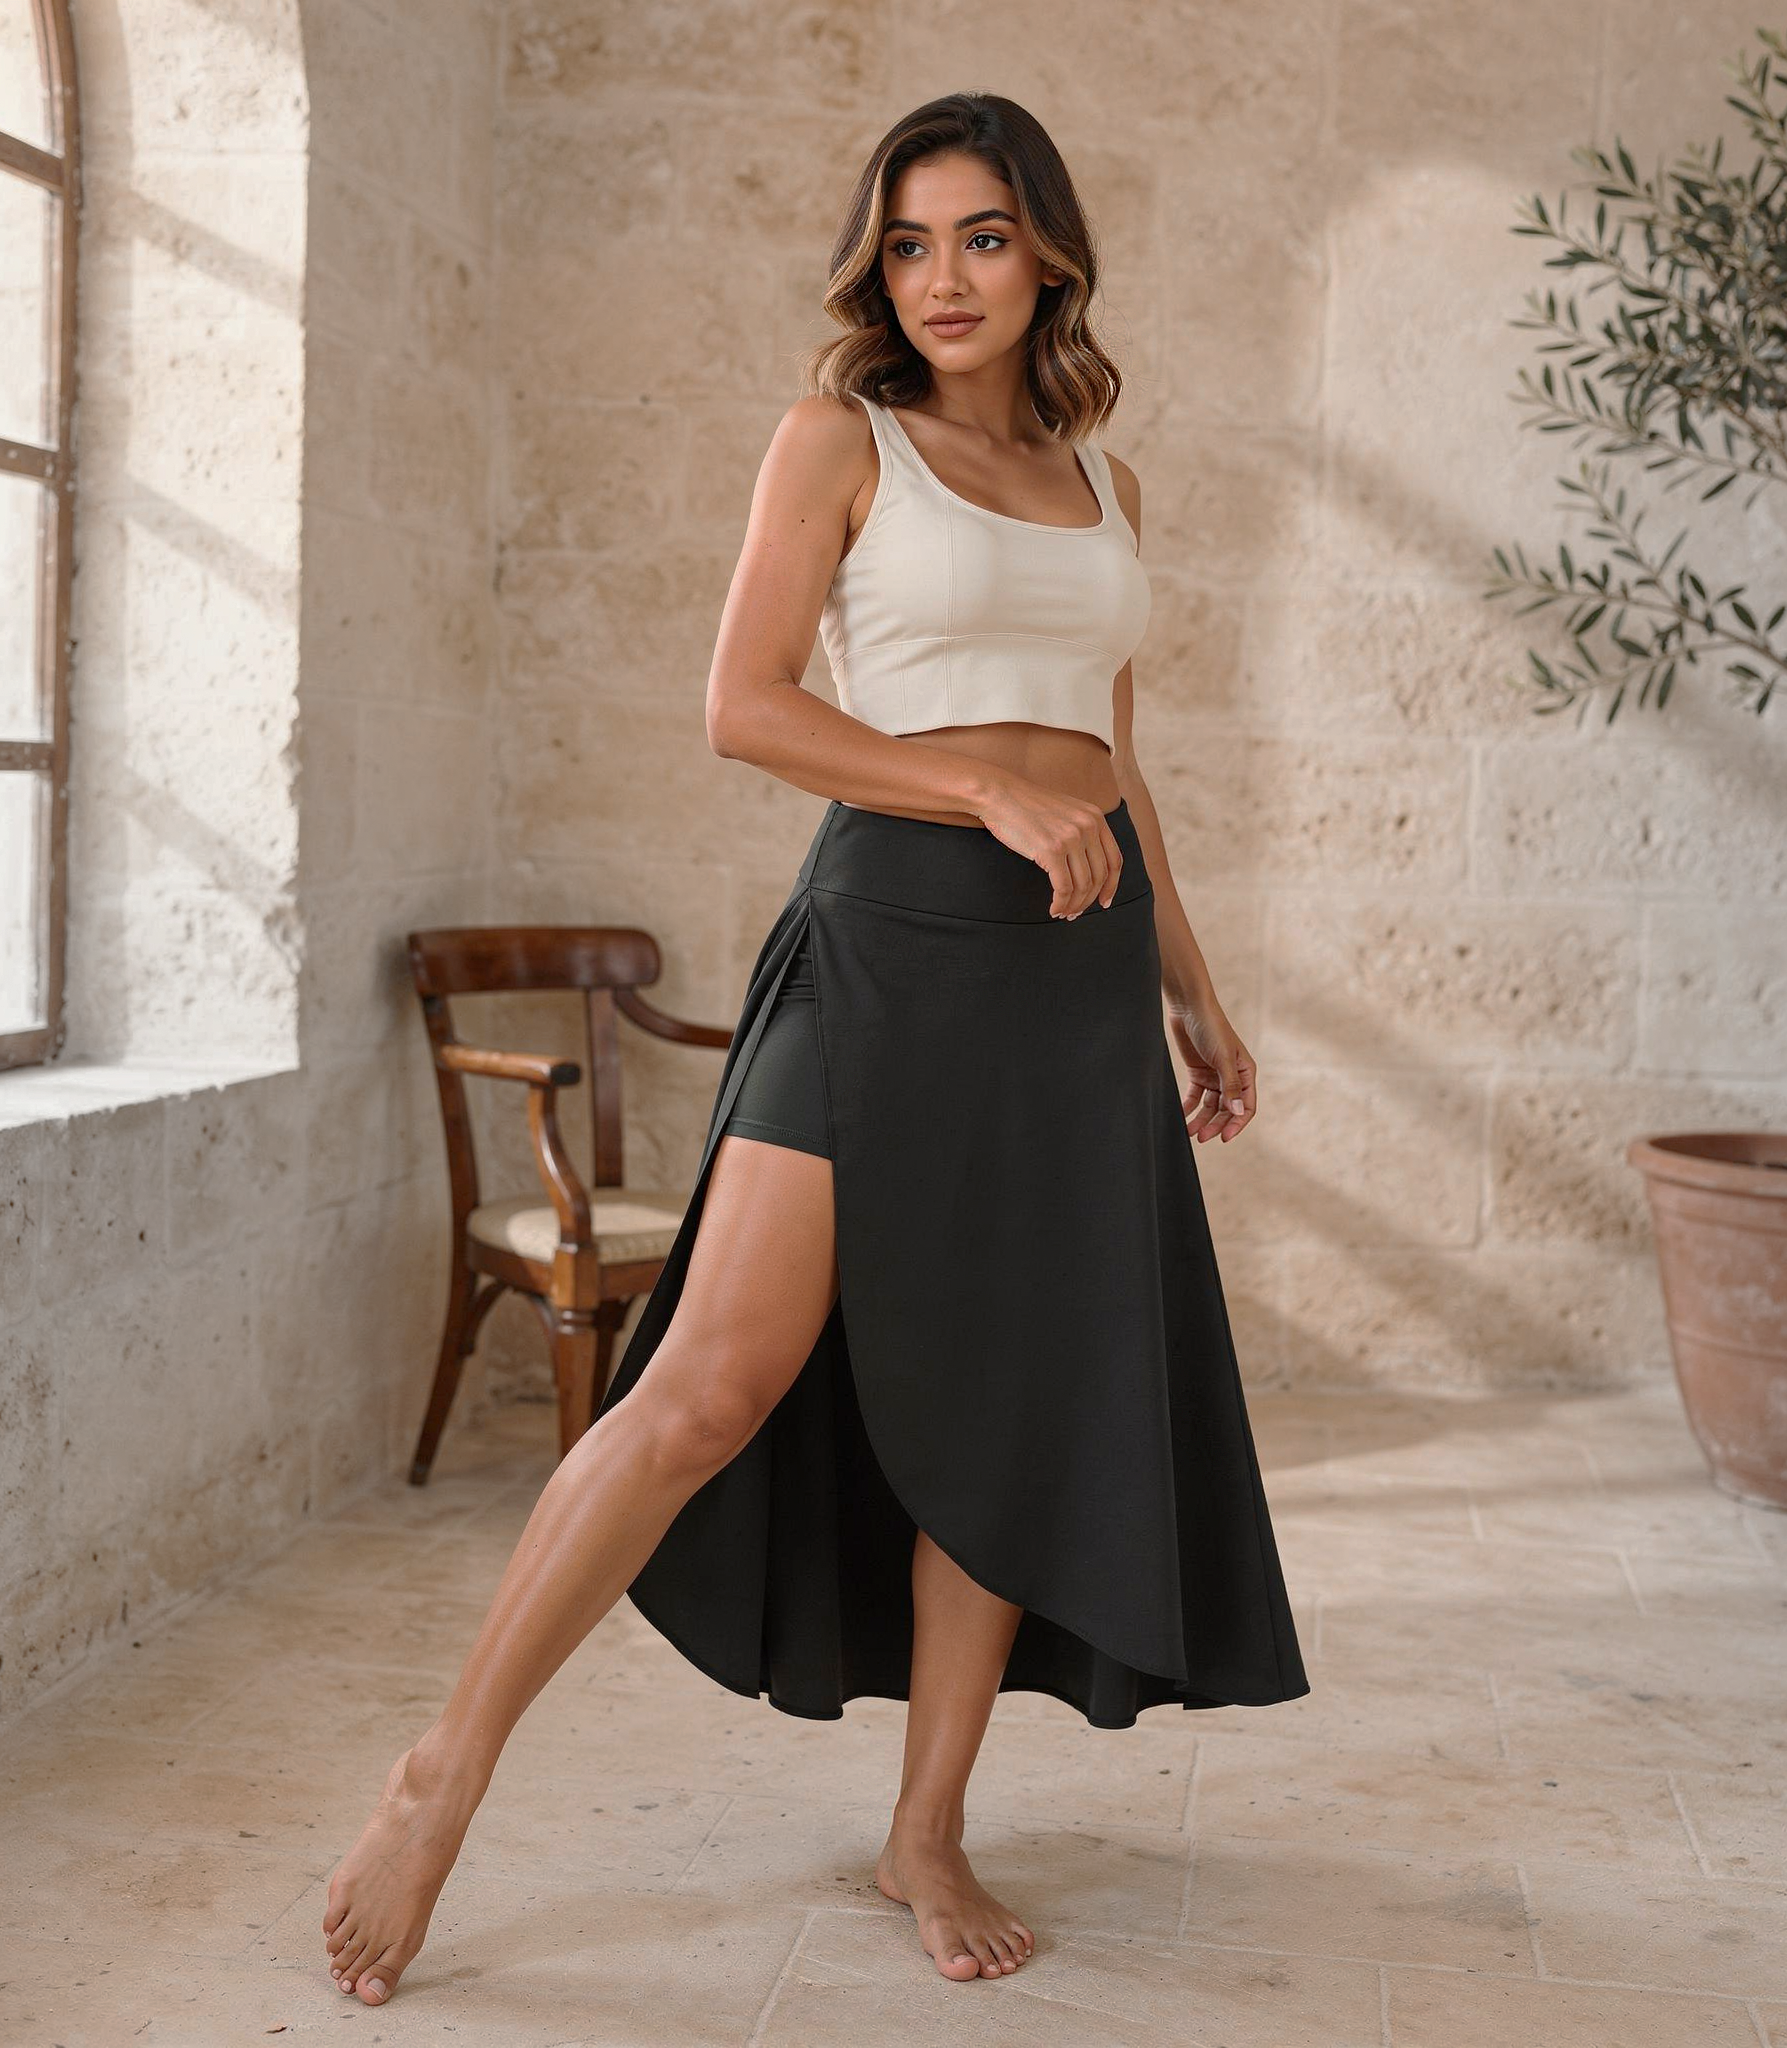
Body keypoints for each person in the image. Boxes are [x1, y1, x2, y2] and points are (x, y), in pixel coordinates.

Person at [321, 90, 1308, 2009]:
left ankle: (927, 1830)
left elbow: (1112, 759)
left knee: (1008, 1405)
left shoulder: (1108, 482)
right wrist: (981, 797)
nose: (945, 278)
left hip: (1073, 980)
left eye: (985, 238)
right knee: (704, 1387)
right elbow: (747, 707)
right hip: (888, 945)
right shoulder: (840, 440)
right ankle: (445, 1772)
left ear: (1050, 256)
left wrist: (1189, 985)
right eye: (912, 242)